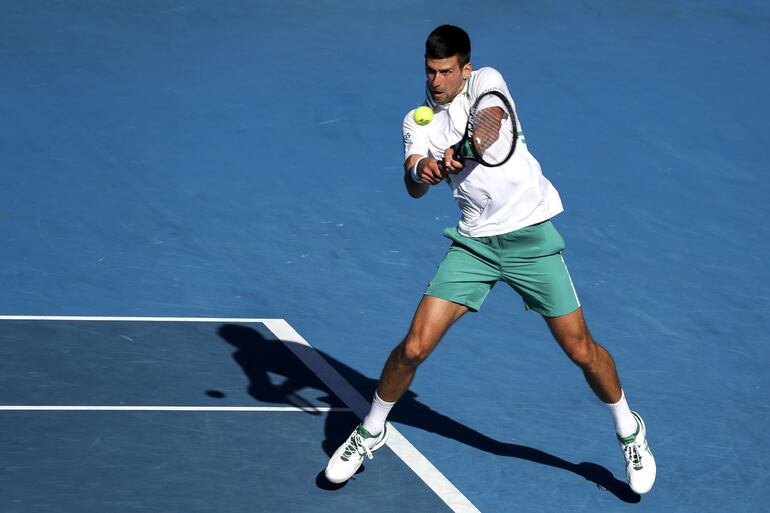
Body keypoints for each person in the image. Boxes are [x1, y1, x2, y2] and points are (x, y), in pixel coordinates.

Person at [324, 24, 656, 495]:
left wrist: (457, 153)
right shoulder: (416, 120)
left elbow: (490, 125)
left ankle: (629, 429)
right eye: (429, 72)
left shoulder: (487, 83)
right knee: (415, 346)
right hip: (475, 246)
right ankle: (370, 429)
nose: (436, 82)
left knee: (581, 349)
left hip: (529, 240)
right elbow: (413, 184)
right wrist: (426, 168)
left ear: (466, 69)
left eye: (445, 72)